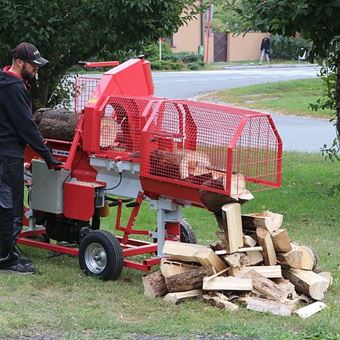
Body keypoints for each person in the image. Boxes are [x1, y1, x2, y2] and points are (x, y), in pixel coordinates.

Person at [0, 42, 62, 274]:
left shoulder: (5, 81)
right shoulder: (14, 88)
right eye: (33, 66)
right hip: (7, 155)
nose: (36, 70)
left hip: (5, 152)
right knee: (10, 207)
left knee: (6, 204)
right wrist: (48, 157)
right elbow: (26, 126)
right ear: (19, 62)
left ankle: (7, 252)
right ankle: (6, 259)